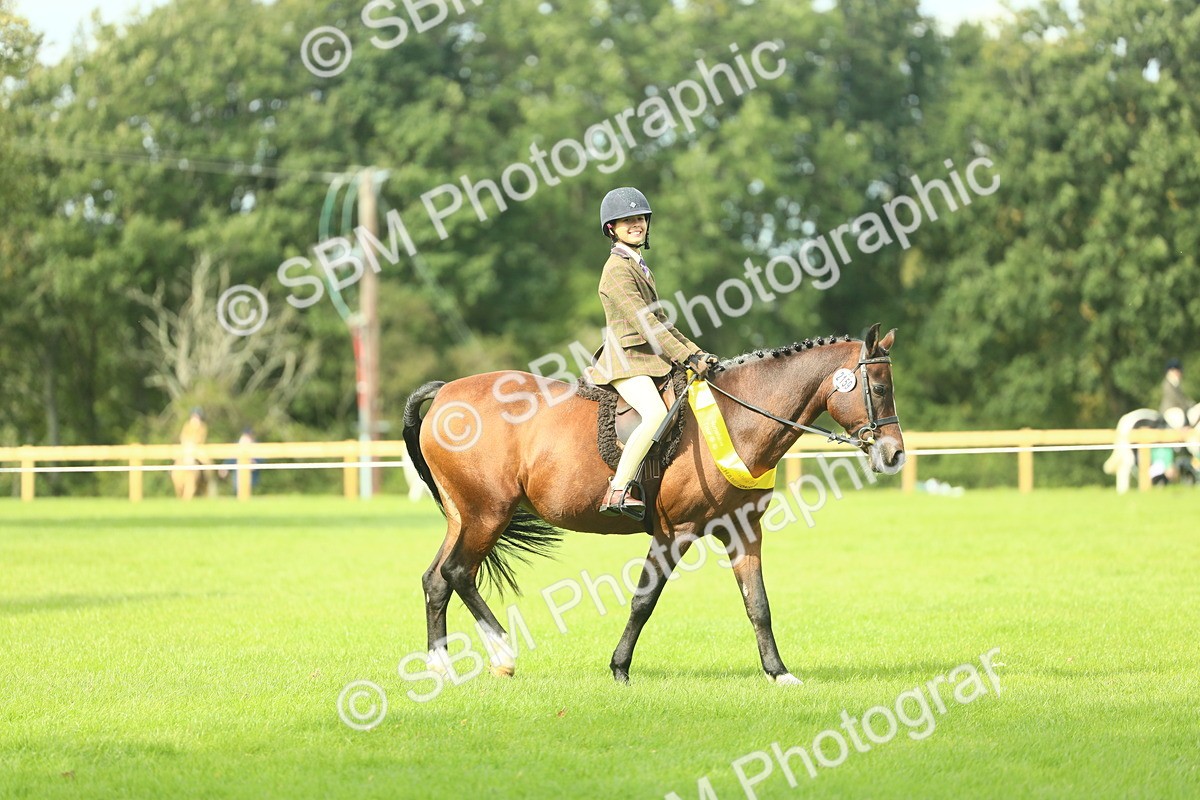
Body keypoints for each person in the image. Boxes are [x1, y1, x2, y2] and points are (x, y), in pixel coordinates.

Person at [583, 187, 718, 516]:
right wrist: (686, 357)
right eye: (627, 220)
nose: (636, 224)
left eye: (640, 218)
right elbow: (645, 323)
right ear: (611, 228)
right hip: (626, 360)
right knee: (656, 414)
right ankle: (618, 489)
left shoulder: (639, 266)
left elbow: (661, 322)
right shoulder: (616, 270)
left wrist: (695, 353)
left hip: (648, 358)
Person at [1154, 358, 1195, 484]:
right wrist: (1187, 406)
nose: (1178, 373)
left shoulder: (1176, 384)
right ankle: (1181, 433)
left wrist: (1191, 404)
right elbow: (1177, 400)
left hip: (1178, 408)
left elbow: (1183, 399)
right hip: (1170, 411)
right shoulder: (1168, 384)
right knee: (1178, 416)